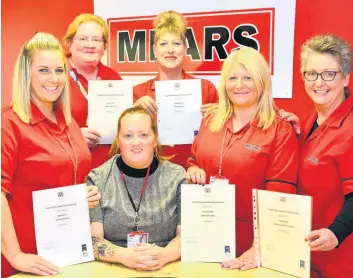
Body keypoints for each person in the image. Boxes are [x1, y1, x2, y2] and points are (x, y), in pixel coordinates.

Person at [186, 47, 298, 270]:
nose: (239, 85)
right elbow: (193, 159)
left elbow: (279, 197)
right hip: (205, 237)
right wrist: (192, 169)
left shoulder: (280, 130)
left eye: (248, 78)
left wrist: (260, 248)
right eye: (233, 78)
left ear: (262, 82)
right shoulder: (210, 121)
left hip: (252, 246)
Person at [1, 32, 101, 277]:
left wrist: (82, 194)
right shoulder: (9, 124)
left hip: (70, 252)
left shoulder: (69, 123)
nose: (54, 79)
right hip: (28, 260)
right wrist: (15, 255)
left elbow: (63, 179)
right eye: (44, 70)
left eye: (59, 70)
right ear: (27, 73)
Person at [89, 106, 185, 270]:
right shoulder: (98, 178)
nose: (136, 142)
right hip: (113, 268)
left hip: (167, 267)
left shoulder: (177, 177)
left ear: (155, 139)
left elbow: (187, 235)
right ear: (118, 141)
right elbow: (93, 240)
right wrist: (123, 256)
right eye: (128, 135)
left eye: (143, 135)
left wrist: (164, 255)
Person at [297, 34, 353, 277]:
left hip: (341, 260)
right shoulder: (310, 119)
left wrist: (336, 233)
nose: (319, 82)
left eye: (329, 74)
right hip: (310, 256)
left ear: (346, 78)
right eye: (311, 74)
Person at [133, 10, 219, 167]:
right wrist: (133, 113)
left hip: (196, 173)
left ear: (185, 49)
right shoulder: (138, 93)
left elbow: (223, 139)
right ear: (154, 50)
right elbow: (125, 142)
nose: (170, 50)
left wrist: (219, 117)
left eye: (176, 43)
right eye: (164, 44)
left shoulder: (206, 89)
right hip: (150, 174)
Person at [63, 13, 122, 169]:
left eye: (96, 40)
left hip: (109, 171)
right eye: (82, 39)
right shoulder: (55, 76)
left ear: (104, 47)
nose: (90, 45)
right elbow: (40, 130)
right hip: (68, 169)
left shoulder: (113, 78)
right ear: (69, 43)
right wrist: (73, 136)